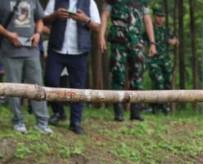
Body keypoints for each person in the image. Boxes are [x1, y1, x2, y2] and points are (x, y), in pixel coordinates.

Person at [43, 0, 100, 134]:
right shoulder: (55, 1)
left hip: (79, 52)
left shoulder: (90, 3)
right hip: (57, 49)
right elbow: (44, 20)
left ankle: (75, 122)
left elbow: (98, 27)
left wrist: (85, 19)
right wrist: (55, 15)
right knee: (50, 81)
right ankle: (59, 112)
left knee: (78, 87)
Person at [0, 0, 52, 134]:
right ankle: (18, 121)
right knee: (13, 88)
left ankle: (42, 123)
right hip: (10, 51)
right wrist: (8, 35)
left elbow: (39, 20)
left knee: (37, 86)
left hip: (31, 50)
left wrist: (38, 34)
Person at [99, 0, 156, 122]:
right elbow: (105, 16)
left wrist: (152, 43)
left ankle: (135, 111)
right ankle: (118, 111)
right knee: (117, 75)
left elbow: (147, 20)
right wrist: (101, 36)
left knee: (137, 76)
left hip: (136, 42)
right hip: (118, 41)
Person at [148, 6, 176, 114]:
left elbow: (176, 40)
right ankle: (156, 108)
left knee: (167, 83)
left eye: (162, 16)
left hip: (166, 61)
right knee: (158, 82)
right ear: (155, 17)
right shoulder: (150, 29)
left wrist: (173, 41)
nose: (160, 19)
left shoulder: (167, 30)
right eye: (158, 16)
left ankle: (165, 107)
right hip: (154, 61)